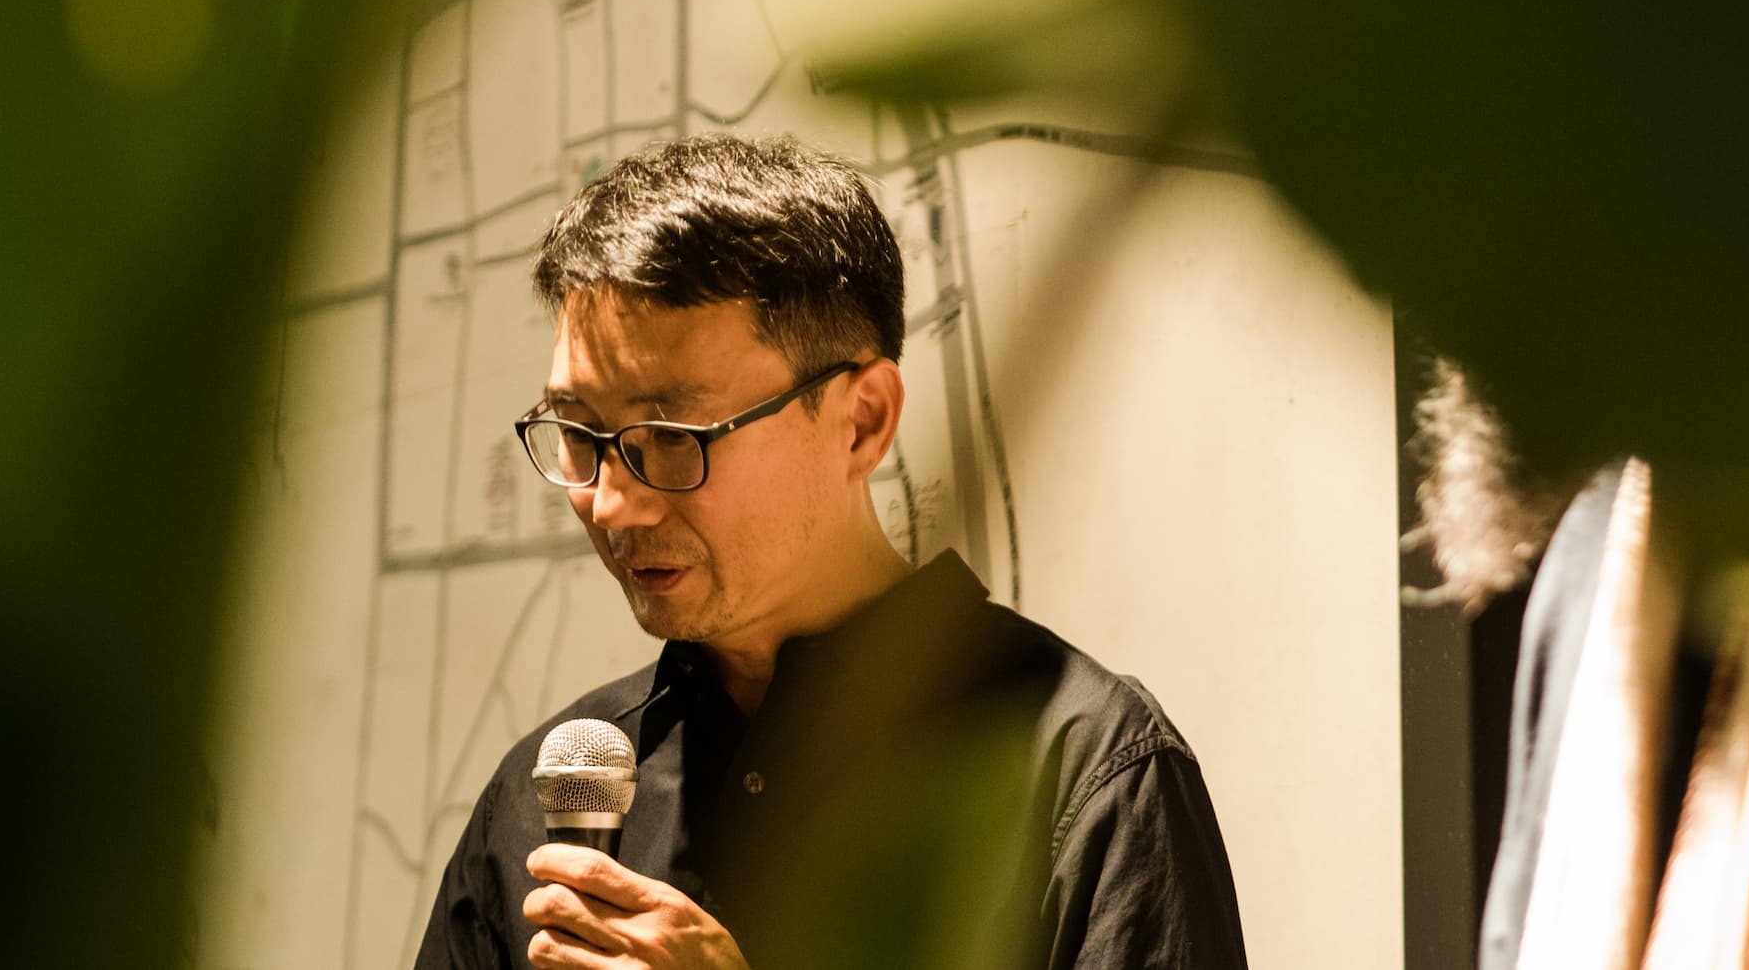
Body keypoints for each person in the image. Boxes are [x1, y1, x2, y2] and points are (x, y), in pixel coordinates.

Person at [413, 133, 1247, 970]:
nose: (612, 503)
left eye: (672, 435)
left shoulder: (1085, 771)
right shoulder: (534, 801)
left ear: (862, 422)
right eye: (579, 431)